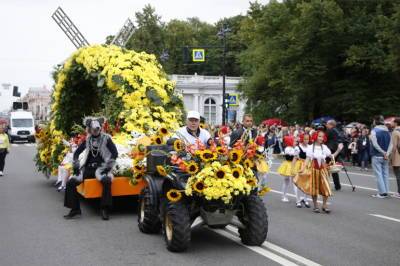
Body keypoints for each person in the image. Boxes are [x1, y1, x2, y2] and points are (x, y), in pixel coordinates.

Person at [64, 118, 118, 220]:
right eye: (93, 129)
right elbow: (76, 153)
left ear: (100, 128)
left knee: (107, 181)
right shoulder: (88, 139)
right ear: (89, 129)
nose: (95, 131)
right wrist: (76, 166)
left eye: (97, 129)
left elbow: (115, 153)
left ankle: (104, 209)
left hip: (101, 169)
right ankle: (75, 209)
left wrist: (108, 167)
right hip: (88, 169)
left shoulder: (106, 138)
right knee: (70, 183)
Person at [299, 131, 343, 213]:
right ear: (315, 137)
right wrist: (302, 169)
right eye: (319, 136)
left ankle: (324, 205)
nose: (321, 138)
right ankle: (315, 205)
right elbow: (307, 159)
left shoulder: (324, 147)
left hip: (323, 170)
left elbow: (332, 156)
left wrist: (338, 150)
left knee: (326, 187)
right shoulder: (310, 147)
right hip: (314, 169)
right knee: (314, 188)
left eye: (322, 137)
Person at [370, 115, 392, 198]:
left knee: (378, 174)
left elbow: (375, 145)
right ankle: (386, 191)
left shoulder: (374, 131)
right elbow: (391, 144)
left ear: (376, 121)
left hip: (377, 155)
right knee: (385, 174)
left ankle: (382, 193)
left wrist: (383, 152)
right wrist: (387, 153)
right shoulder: (388, 131)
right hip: (386, 156)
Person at [292, 133, 311, 208]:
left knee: (307, 183)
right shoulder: (297, 148)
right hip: (299, 165)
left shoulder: (310, 147)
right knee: (297, 183)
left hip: (308, 165)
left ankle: (305, 199)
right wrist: (292, 168)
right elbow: (295, 158)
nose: (306, 140)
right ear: (302, 139)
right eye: (305, 139)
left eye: (308, 139)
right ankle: (297, 200)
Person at [326, 120, 343, 191]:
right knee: (333, 167)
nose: (326, 125)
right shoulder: (337, 130)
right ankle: (337, 185)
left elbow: (325, 139)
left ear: (331, 125)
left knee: (326, 167)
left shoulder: (330, 131)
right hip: (336, 149)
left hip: (330, 149)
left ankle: (325, 183)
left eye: (327, 124)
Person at [390, 118, 400, 198]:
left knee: (398, 174)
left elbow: (393, 147)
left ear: (396, 123)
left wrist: (390, 157)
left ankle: (399, 192)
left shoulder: (395, 132)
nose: (391, 123)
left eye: (392, 121)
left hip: (397, 155)